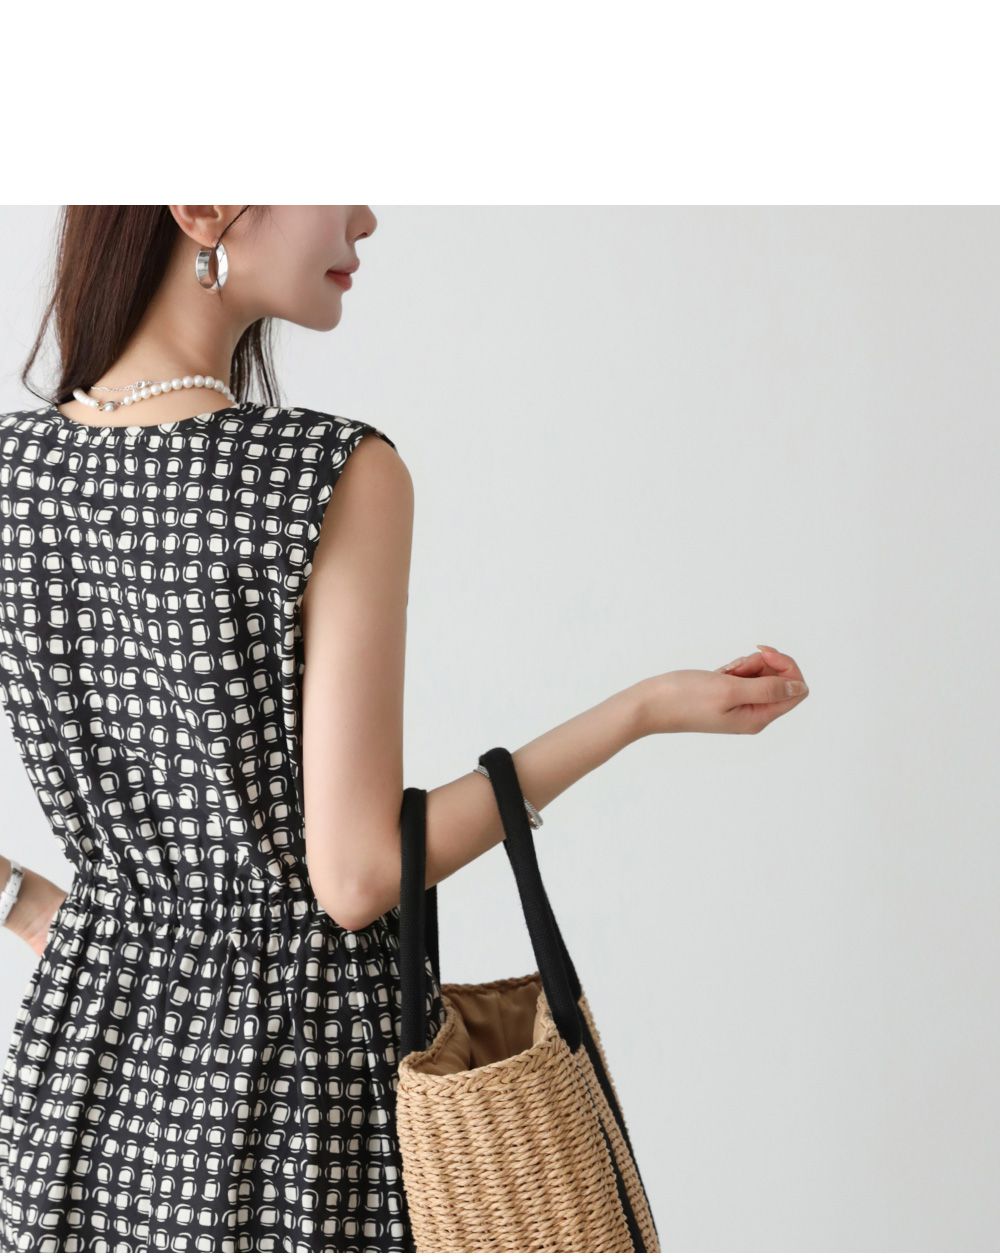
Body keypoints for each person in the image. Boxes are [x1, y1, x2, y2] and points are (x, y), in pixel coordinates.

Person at [0, 205, 810, 1251]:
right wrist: (639, 712)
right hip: (294, 1103)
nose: (365, 214)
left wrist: (35, 905)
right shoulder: (321, 476)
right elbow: (356, 878)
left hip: (80, 1086)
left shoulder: (18, 472)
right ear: (201, 205)